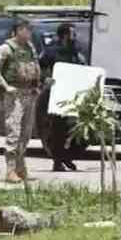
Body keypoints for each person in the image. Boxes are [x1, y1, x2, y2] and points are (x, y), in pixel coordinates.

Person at [0, 18, 48, 183]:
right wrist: (5, 87)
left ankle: (20, 168)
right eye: (25, 29)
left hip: (29, 94)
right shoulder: (6, 49)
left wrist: (37, 86)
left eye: (29, 29)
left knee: (26, 133)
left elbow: (35, 67)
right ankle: (10, 170)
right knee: (13, 132)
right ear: (17, 31)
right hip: (15, 95)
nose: (29, 32)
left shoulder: (30, 48)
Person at [47, 23, 82, 172]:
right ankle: (57, 160)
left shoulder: (74, 51)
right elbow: (42, 66)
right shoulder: (52, 51)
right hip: (57, 94)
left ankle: (66, 156)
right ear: (65, 34)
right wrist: (47, 79)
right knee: (58, 129)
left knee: (72, 129)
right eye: (72, 33)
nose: (74, 36)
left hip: (72, 93)